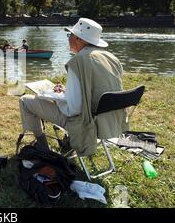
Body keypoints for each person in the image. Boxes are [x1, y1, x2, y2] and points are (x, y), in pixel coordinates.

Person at [18, 18, 128, 156]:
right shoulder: (111, 57)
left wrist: (56, 99)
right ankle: (63, 143)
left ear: (78, 39)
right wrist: (67, 92)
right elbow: (98, 89)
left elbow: (72, 110)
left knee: (25, 101)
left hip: (84, 124)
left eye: (69, 35)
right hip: (108, 121)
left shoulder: (78, 62)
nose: (68, 39)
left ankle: (43, 149)